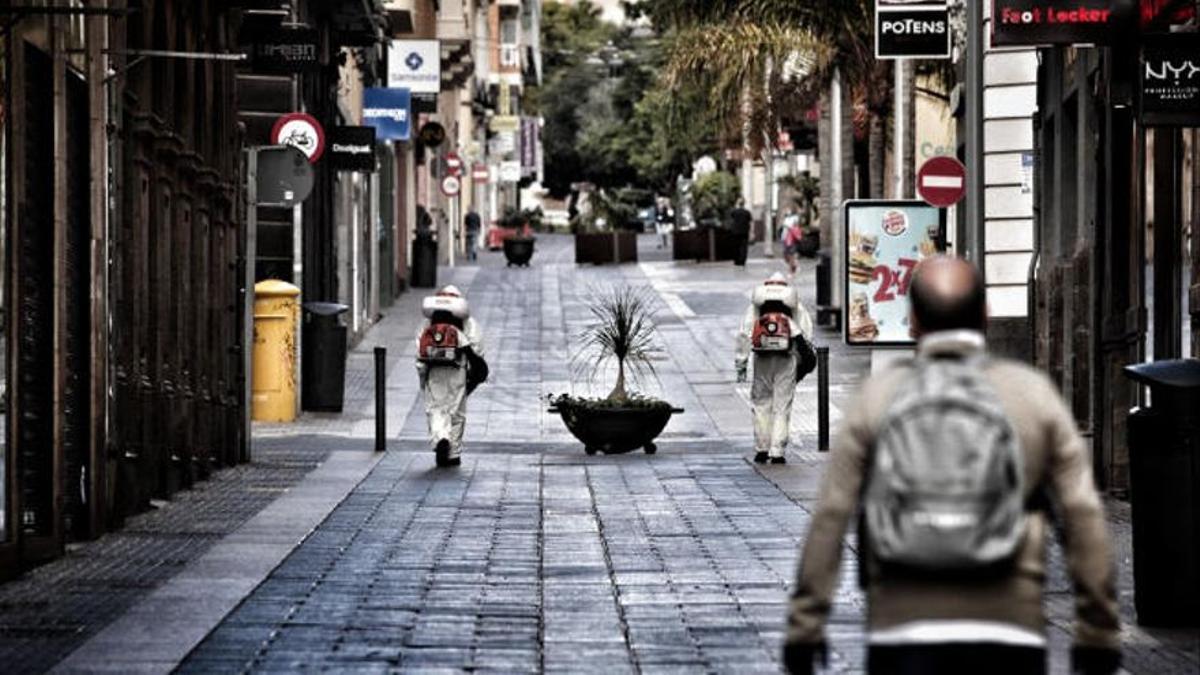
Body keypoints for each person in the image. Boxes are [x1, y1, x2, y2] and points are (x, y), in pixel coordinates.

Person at [784, 256, 1120, 675]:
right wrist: (1098, 630)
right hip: (1008, 628)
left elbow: (831, 516)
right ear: (985, 316)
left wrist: (805, 625)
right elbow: (1082, 514)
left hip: (901, 626)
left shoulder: (879, 398)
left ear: (912, 322)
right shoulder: (1031, 396)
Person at [736, 273, 816, 465]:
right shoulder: (795, 305)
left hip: (762, 359)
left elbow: (744, 335)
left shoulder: (755, 306)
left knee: (761, 403)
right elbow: (806, 335)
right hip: (786, 359)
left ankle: (761, 448)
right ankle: (777, 451)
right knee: (782, 406)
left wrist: (741, 364)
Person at [415, 285, 488, 468]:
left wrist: (423, 378)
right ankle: (453, 453)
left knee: (436, 409)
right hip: (458, 371)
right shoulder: (468, 323)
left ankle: (441, 438)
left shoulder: (427, 324)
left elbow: (420, 353)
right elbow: (477, 349)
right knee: (456, 411)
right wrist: (473, 376)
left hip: (434, 372)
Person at [729, 197, 753, 266]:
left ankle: (736, 260)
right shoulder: (747, 212)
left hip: (735, 232)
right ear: (744, 204)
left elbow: (731, 217)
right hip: (744, 232)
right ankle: (742, 260)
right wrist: (751, 232)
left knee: (736, 246)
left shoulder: (734, 212)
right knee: (744, 247)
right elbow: (750, 222)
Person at [781, 210, 804, 276]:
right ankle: (794, 268)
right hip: (787, 241)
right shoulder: (787, 220)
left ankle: (792, 271)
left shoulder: (794, 223)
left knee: (792, 257)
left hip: (791, 243)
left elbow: (798, 237)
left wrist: (790, 229)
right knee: (787, 257)